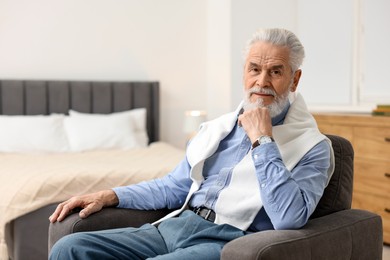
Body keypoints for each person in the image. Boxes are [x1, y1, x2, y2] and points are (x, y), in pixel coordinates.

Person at [49, 28, 334, 260]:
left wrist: (263, 140)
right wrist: (109, 195)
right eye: (255, 69)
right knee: (70, 248)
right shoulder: (217, 129)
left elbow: (288, 218)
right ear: (243, 74)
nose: (262, 81)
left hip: (228, 239)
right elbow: (173, 187)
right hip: (176, 225)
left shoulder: (313, 147)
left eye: (275, 72)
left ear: (294, 80)